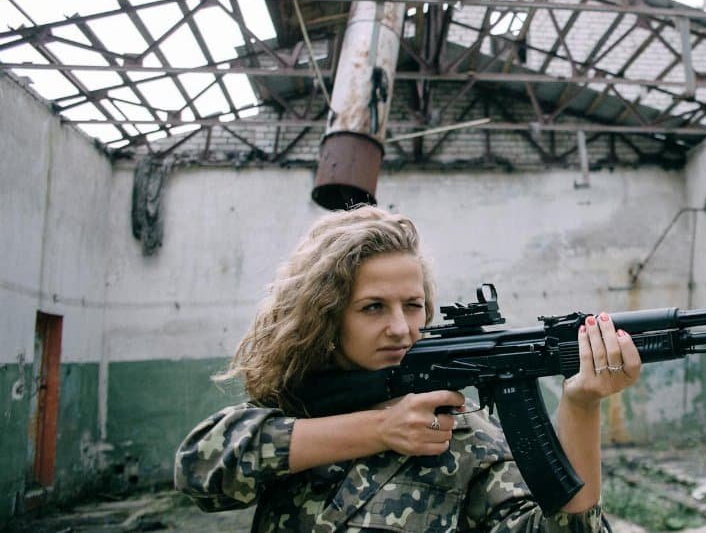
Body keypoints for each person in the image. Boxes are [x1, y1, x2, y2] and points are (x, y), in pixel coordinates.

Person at [175, 206, 642, 532]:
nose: (401, 328)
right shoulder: (298, 410)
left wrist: (581, 406)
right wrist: (381, 429)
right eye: (373, 307)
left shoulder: (464, 437)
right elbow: (201, 472)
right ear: (326, 317)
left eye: (414, 306)